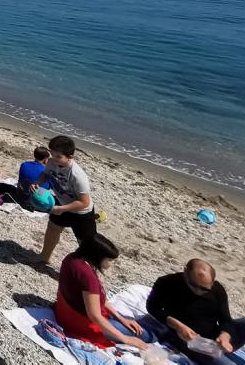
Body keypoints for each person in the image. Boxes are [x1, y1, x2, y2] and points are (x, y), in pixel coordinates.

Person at [149, 259, 245, 365]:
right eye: (197, 287)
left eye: (206, 289)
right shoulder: (166, 283)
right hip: (189, 341)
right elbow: (152, 307)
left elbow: (226, 320)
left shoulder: (217, 290)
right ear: (185, 273)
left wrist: (225, 335)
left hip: (217, 340)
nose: (201, 292)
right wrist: (177, 325)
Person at [54, 234, 158, 351]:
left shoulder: (72, 258)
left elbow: (95, 300)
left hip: (65, 312)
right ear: (96, 256)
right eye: (109, 260)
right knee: (146, 334)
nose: (111, 264)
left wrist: (120, 318)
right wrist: (125, 339)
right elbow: (95, 316)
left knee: (129, 322)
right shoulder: (88, 277)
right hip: (80, 324)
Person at [34, 135, 96, 265]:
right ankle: (45, 256)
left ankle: (92, 269)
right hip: (62, 203)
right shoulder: (51, 162)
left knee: (85, 243)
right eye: (52, 154)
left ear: (70, 157)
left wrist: (61, 209)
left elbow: (84, 202)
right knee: (52, 228)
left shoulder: (77, 175)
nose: (54, 159)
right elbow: (45, 174)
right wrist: (38, 183)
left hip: (81, 212)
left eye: (58, 157)